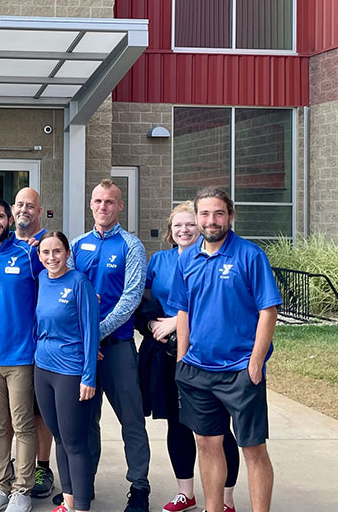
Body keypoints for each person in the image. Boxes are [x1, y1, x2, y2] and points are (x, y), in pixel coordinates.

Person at [170, 188, 282, 512]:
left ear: (230, 216)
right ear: (196, 217)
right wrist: (182, 361)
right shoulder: (187, 258)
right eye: (204, 214)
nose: (211, 220)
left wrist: (256, 363)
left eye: (218, 213)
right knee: (206, 444)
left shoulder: (250, 255)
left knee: (252, 449)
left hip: (240, 371)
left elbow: (268, 311)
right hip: (198, 370)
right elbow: (183, 312)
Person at [138, 202, 240, 512]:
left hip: (203, 355)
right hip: (165, 354)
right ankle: (186, 493)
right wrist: (153, 323)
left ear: (199, 227)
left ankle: (226, 498)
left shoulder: (210, 260)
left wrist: (176, 321)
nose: (184, 230)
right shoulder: (160, 261)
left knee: (215, 428)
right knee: (177, 424)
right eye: (178, 225)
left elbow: (216, 306)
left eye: (190, 224)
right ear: (170, 231)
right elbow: (142, 301)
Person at [70, 180, 151, 512]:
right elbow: (67, 295)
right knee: (86, 422)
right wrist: (86, 340)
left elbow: (130, 298)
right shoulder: (75, 245)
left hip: (116, 348)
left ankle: (140, 486)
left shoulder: (132, 247)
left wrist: (97, 332)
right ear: (90, 204)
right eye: (98, 201)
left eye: (110, 202)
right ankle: (84, 485)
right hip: (83, 353)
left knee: (131, 419)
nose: (103, 207)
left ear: (120, 206)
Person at [0, 199, 42, 512]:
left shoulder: (30, 253)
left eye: (0, 216)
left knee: (23, 423)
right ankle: (0, 486)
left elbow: (56, 278)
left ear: (10, 219)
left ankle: (22, 490)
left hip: (21, 356)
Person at [34, 231, 99, 512]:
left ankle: (82, 505)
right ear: (39, 256)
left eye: (57, 251)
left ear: (67, 253)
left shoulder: (79, 283)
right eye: (46, 253)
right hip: (43, 368)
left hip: (70, 371)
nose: (52, 258)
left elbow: (90, 332)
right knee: (59, 437)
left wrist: (89, 376)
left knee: (74, 441)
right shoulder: (40, 281)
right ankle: (69, 501)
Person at [12, 187, 55, 499]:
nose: (24, 209)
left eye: (30, 205)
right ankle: (14, 462)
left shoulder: (48, 246)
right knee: (12, 410)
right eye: (19, 204)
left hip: (40, 342)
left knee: (39, 413)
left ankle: (41, 466)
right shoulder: (4, 241)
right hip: (8, 341)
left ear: (40, 211)